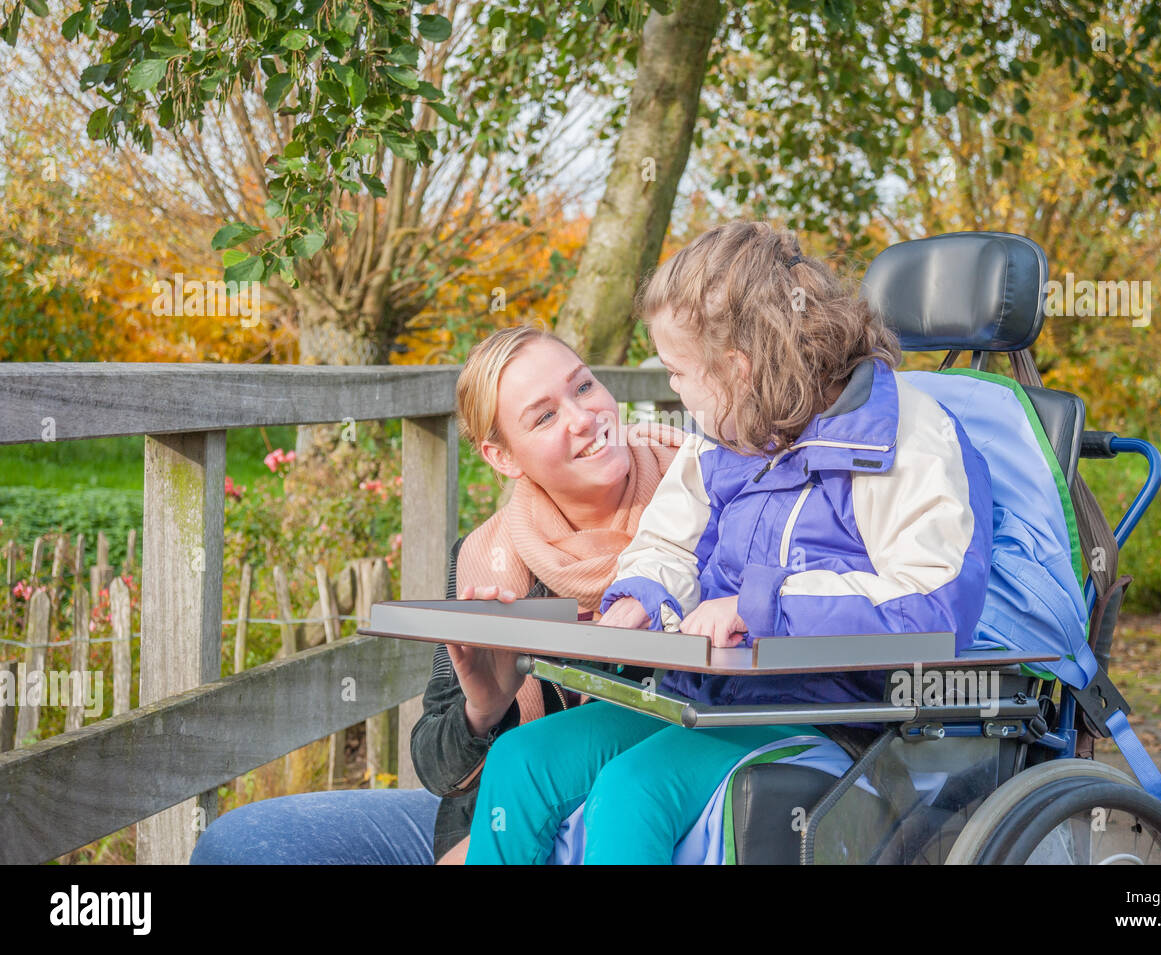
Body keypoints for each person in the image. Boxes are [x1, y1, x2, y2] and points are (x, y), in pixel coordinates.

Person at [464, 221, 995, 865]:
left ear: (736, 370)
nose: (674, 392)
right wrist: (641, 597)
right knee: (526, 759)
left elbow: (933, 607)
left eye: (678, 372)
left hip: (843, 718)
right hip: (714, 700)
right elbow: (669, 544)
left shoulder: (907, 437)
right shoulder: (724, 436)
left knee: (633, 792)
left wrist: (758, 607)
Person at [189, 325, 683, 864]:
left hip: (641, 814)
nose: (585, 417)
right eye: (544, 416)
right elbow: (437, 765)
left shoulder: (703, 507)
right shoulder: (485, 557)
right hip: (495, 817)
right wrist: (484, 709)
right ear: (503, 458)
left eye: (584, 387)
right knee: (240, 844)